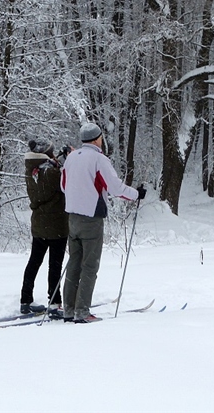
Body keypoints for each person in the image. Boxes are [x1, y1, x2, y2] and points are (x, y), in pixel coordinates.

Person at [61, 122, 146, 323]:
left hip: (72, 217)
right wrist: (137, 194)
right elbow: (115, 188)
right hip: (91, 218)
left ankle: (69, 310)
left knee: (74, 263)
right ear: (98, 139)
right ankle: (82, 312)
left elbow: (64, 186)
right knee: (90, 266)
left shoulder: (71, 158)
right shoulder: (99, 159)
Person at [19, 139, 69, 316]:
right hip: (57, 226)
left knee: (34, 263)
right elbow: (64, 176)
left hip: (39, 224)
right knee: (55, 266)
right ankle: (54, 303)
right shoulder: (52, 173)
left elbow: (53, 171)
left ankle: (25, 300)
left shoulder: (31, 171)